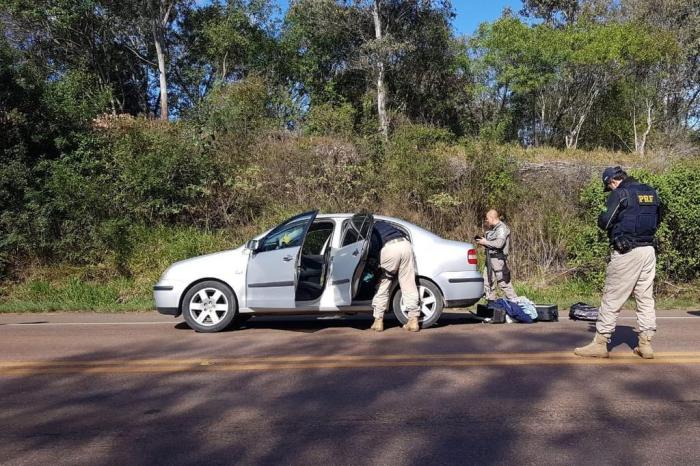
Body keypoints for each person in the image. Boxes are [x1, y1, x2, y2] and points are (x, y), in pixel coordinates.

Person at [574, 166, 661, 359]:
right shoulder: (651, 192)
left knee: (612, 298)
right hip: (648, 250)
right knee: (645, 298)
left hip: (626, 251)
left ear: (612, 181)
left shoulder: (620, 194)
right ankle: (646, 344)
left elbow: (604, 221)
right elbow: (658, 218)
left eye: (609, 186)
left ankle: (600, 343)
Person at [369, 222, 421, 332]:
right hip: (406, 246)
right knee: (408, 283)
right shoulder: (386, 225)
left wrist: (374, 267)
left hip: (389, 249)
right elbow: (404, 234)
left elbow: (373, 250)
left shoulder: (371, 230)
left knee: (384, 283)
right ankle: (413, 320)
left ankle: (378, 321)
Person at [476, 209, 518, 301]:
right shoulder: (493, 229)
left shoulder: (502, 228)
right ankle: (491, 306)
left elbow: (499, 244)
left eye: (487, 218)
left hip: (498, 260)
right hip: (490, 260)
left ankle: (517, 305)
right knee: (488, 283)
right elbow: (492, 243)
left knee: (503, 283)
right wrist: (484, 242)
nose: (486, 221)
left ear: (491, 217)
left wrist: (486, 242)